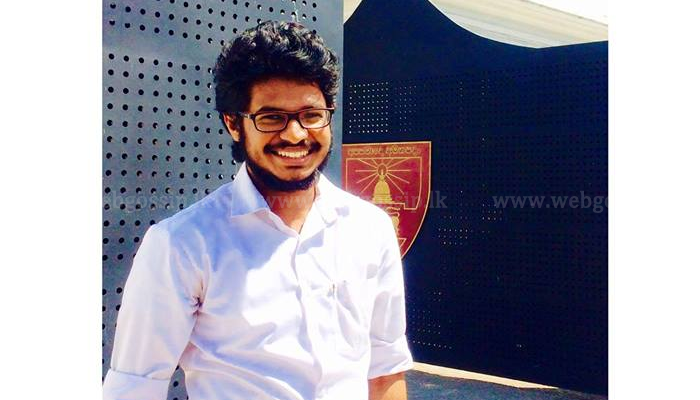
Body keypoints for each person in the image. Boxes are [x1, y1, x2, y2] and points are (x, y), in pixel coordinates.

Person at [103, 20, 413, 400]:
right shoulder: (183, 243)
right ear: (234, 124)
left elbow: (385, 368)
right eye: (272, 118)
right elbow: (135, 386)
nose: (296, 134)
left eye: (312, 115)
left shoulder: (370, 228)